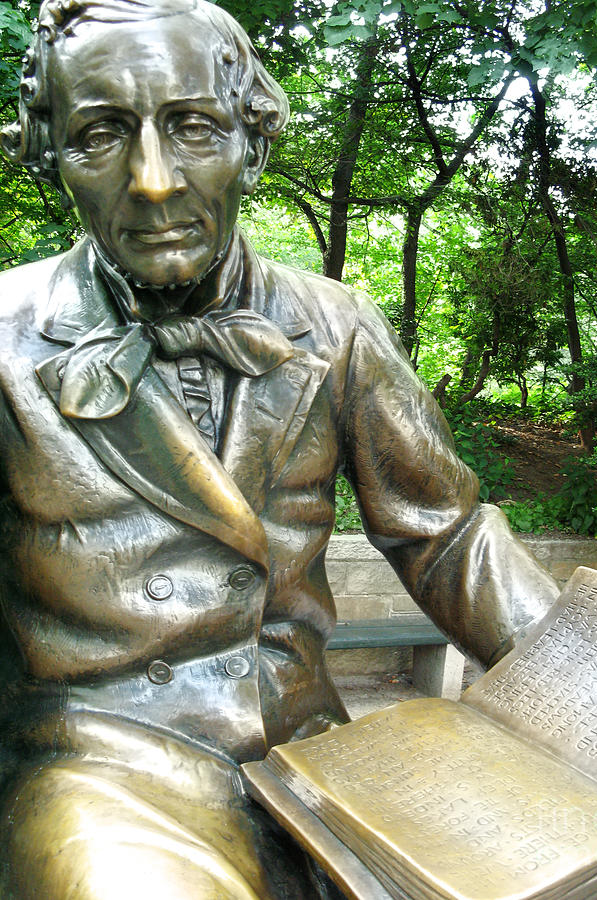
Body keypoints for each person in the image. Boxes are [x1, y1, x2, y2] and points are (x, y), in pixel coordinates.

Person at [0, 0, 559, 896]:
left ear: (252, 145)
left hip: (313, 757)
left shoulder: (334, 324)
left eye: (193, 129)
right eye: (101, 134)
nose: (153, 181)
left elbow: (447, 539)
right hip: (103, 767)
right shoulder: (5, 336)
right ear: (46, 151)